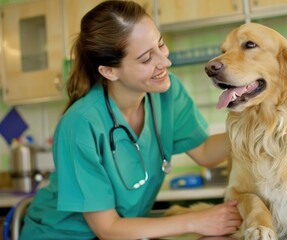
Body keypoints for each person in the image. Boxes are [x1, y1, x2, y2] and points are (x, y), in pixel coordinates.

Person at [19, 1, 242, 239]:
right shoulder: (80, 124)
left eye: (161, 45)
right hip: (61, 235)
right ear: (110, 71)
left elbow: (205, 152)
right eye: (146, 58)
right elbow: (107, 228)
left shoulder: (167, 93)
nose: (165, 62)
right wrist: (196, 221)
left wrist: (257, 130)